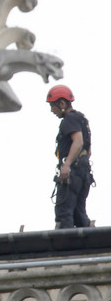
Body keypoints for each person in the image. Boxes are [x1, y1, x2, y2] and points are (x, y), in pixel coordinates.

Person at [47, 84, 93, 229]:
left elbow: (78, 142)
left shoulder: (69, 120)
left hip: (73, 173)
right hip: (83, 172)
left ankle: (64, 247)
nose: (51, 110)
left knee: (64, 213)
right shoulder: (81, 119)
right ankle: (87, 245)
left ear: (62, 103)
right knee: (79, 213)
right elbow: (88, 150)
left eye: (52, 106)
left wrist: (67, 165)